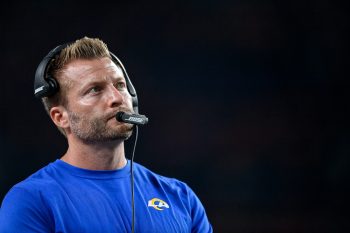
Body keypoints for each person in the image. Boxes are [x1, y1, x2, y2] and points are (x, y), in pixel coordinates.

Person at [0, 37, 213, 233]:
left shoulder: (180, 197)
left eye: (120, 85)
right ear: (60, 117)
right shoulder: (30, 201)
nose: (117, 97)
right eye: (94, 89)